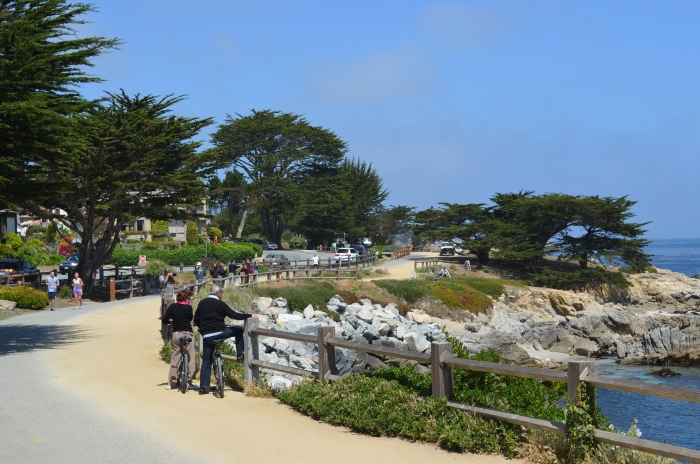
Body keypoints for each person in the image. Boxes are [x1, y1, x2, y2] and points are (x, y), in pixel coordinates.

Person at [193, 284, 257, 395]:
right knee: (238, 329)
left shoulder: (202, 303)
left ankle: (203, 387)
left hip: (207, 336)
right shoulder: (220, 303)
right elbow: (234, 315)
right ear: (218, 293)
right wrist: (249, 315)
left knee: (207, 360)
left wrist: (201, 327)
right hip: (220, 333)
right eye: (221, 292)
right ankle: (240, 354)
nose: (222, 294)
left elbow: (196, 319)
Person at [162, 289, 198, 390]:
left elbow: (164, 319)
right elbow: (190, 319)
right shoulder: (189, 308)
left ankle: (169, 383)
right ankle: (189, 382)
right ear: (186, 299)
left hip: (177, 335)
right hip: (187, 334)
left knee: (175, 357)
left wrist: (172, 321)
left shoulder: (172, 306)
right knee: (190, 357)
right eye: (189, 298)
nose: (190, 300)